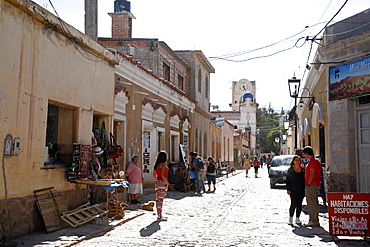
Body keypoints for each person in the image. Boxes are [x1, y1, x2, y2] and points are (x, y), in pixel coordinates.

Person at [302, 146, 322, 227]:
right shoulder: (316, 161)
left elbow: (312, 174)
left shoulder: (312, 162)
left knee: (311, 204)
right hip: (316, 184)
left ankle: (312, 220)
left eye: (304, 154)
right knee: (315, 203)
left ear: (307, 153)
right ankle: (315, 220)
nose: (304, 156)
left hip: (312, 185)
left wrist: (308, 184)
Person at [286, 156, 305, 225]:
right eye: (296, 160)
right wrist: (288, 189)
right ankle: (290, 218)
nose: (297, 161)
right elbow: (288, 180)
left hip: (301, 189)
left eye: (299, 160)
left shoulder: (303, 170)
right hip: (293, 190)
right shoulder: (290, 170)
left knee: (299, 204)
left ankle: (297, 218)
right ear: (293, 161)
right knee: (293, 203)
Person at [153, 151, 169, 221]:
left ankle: (158, 213)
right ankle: (160, 215)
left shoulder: (156, 165)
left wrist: (158, 180)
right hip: (162, 182)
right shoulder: (164, 164)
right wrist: (166, 182)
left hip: (157, 182)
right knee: (161, 199)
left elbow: (154, 175)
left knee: (158, 199)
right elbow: (163, 174)